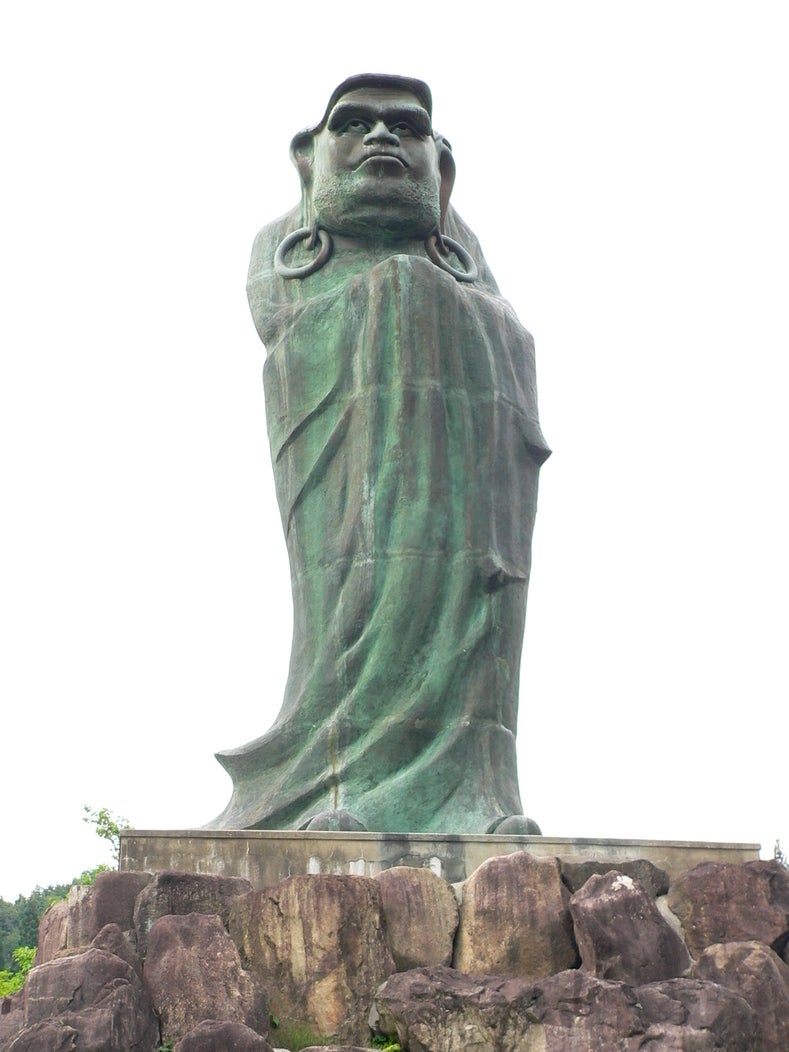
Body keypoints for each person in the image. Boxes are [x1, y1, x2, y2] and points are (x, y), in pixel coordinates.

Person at [207, 74, 550, 834]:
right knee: (355, 606)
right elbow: (283, 330)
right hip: (347, 462)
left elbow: (512, 344)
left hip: (465, 494)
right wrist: (400, 294)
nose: (382, 137)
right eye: (355, 123)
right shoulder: (285, 246)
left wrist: (427, 294)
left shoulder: (460, 258)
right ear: (308, 157)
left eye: (406, 126)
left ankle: (475, 796)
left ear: (441, 166)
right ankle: (334, 784)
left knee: (477, 625)